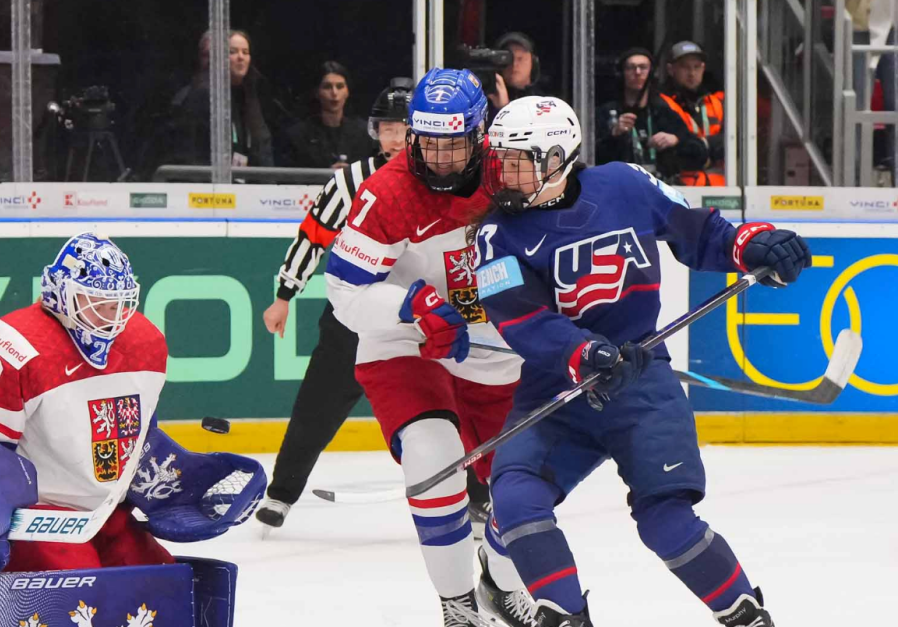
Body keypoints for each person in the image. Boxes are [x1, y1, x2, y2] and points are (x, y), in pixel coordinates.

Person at [469, 95, 812, 626]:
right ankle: (565, 615)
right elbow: (521, 320)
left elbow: (697, 231)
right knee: (513, 500)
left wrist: (753, 243)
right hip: (558, 392)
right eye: (499, 162)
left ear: (557, 159)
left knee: (666, 518)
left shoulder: (626, 184)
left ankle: (745, 616)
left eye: (517, 162)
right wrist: (582, 352)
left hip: (640, 384)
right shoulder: (494, 235)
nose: (503, 175)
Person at [0, 234, 261, 575]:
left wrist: (173, 479)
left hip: (108, 514)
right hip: (36, 520)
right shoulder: (13, 346)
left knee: (163, 586)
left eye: (119, 302)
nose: (111, 315)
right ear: (59, 292)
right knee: (87, 596)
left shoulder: (145, 342)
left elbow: (135, 433)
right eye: (98, 301)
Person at [325, 68, 524, 627]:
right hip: (406, 345)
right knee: (432, 456)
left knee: (524, 479)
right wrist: (413, 305)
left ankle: (504, 583)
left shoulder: (512, 173)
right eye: (427, 141)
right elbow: (343, 291)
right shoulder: (386, 192)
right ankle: (457, 606)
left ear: (479, 134)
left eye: (453, 143)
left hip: (497, 351)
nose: (438, 157)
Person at [167, 29, 274, 168]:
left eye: (246, 52)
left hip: (245, 183)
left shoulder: (249, 94)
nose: (241, 57)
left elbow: (261, 145)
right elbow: (192, 152)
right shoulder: (204, 94)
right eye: (232, 52)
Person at [595, 47, 706, 181]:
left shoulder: (663, 111)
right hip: (618, 187)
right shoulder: (606, 113)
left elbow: (700, 151)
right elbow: (590, 155)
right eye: (631, 67)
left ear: (652, 73)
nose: (637, 72)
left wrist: (676, 140)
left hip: (659, 190)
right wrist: (614, 135)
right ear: (622, 73)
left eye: (643, 67)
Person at [277, 61, 374, 169]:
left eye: (340, 86)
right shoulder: (298, 135)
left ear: (347, 91)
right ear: (317, 92)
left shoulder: (364, 133)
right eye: (327, 87)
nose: (334, 93)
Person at [660, 41, 726, 186]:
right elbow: (675, 154)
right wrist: (708, 149)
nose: (692, 73)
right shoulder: (660, 103)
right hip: (678, 190)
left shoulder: (717, 102)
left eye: (696, 67)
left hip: (721, 195)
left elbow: (733, 142)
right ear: (671, 70)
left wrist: (698, 145)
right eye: (685, 67)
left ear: (703, 68)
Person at [487, 32, 547, 113]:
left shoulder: (545, 104)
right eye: (509, 59)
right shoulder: (487, 101)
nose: (514, 64)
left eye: (520, 59)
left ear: (533, 62)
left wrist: (504, 108)